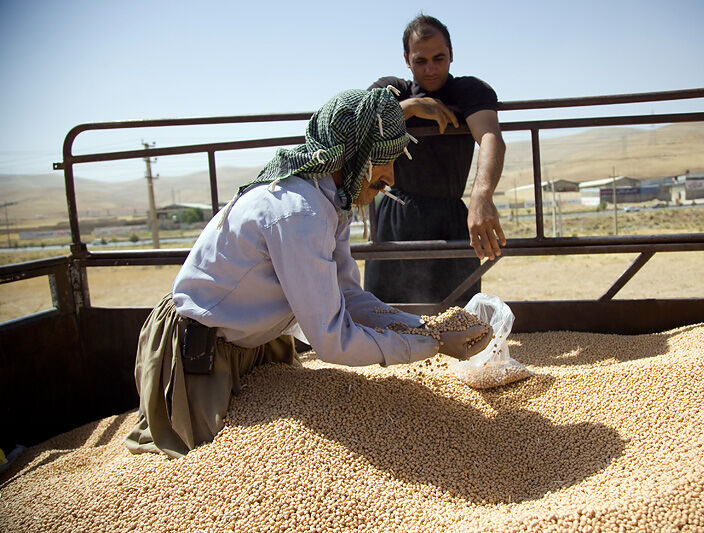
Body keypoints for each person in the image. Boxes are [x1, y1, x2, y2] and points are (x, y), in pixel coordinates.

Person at [125, 88, 492, 458]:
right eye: (384, 160)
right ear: (353, 156)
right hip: (200, 351)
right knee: (198, 458)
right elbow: (334, 340)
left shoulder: (334, 200)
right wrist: (434, 345)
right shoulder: (299, 213)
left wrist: (425, 329)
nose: (391, 178)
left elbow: (348, 296)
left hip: (255, 345)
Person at [364, 14, 506, 305]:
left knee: (458, 315)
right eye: (420, 61)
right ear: (406, 59)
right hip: (395, 215)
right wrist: (411, 107)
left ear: (451, 54)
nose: (430, 69)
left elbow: (490, 136)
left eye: (439, 58)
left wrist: (482, 196)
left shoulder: (468, 91)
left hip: (451, 218)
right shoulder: (392, 91)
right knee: (385, 314)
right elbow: (358, 123)